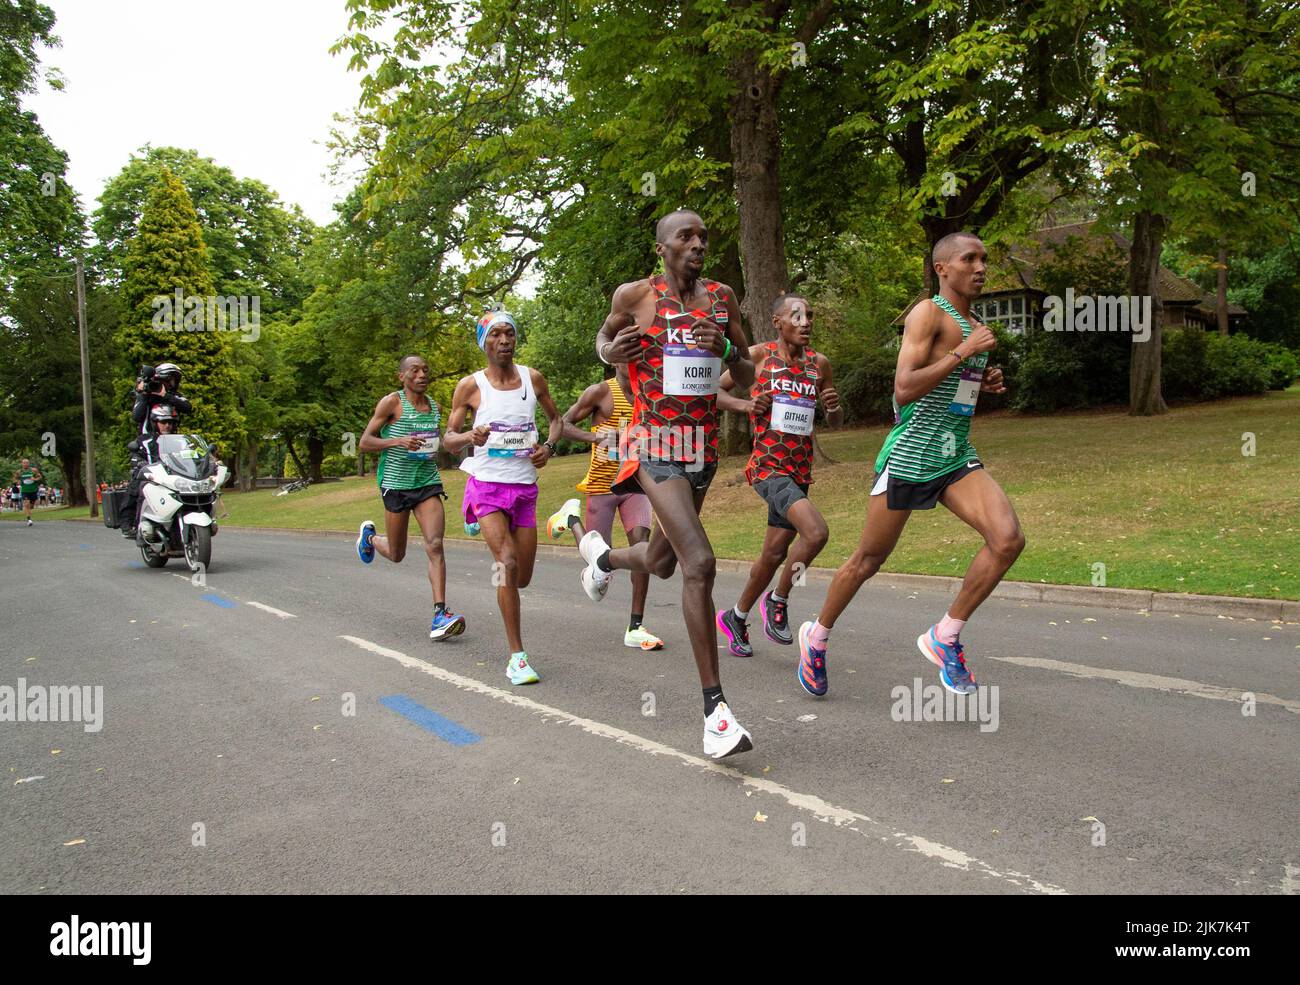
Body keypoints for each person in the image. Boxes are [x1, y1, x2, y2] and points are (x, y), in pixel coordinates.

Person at [798, 232, 1019, 697]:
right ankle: (816, 638)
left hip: (954, 454)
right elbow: (903, 388)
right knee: (867, 560)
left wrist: (982, 380)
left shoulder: (971, 320)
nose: (981, 267)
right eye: (969, 258)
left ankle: (945, 635)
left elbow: (954, 395)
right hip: (910, 457)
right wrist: (965, 353)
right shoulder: (928, 313)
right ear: (942, 268)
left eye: (984, 259)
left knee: (1007, 540)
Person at [575, 208, 758, 759]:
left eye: (704, 235)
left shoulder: (722, 299)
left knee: (661, 562)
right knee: (699, 564)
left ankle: (603, 560)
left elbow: (747, 368)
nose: (698, 243)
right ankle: (715, 715)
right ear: (663, 247)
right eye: (687, 236)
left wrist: (724, 348)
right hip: (653, 446)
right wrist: (613, 352)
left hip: (701, 449)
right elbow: (603, 344)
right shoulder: (634, 296)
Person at [714, 293, 842, 696]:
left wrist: (833, 407)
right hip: (767, 467)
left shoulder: (819, 364)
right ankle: (779, 600)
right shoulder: (756, 357)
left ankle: (736, 616)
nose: (806, 322)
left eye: (810, 316)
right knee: (817, 534)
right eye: (797, 316)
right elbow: (713, 392)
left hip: (801, 470)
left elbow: (835, 419)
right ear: (777, 321)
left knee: (772, 555)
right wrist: (747, 404)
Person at [443, 309, 563, 685]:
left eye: (509, 333)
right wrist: (468, 438)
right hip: (487, 485)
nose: (505, 340)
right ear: (484, 342)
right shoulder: (470, 386)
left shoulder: (533, 378)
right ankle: (517, 656)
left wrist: (549, 447)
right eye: (495, 334)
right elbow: (448, 438)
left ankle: (484, 526)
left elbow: (556, 420)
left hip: (524, 487)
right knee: (506, 564)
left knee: (522, 577)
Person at [545, 365, 664, 651]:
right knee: (600, 573)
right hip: (602, 486)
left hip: (635, 483)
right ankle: (570, 517)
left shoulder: (649, 391)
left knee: (642, 550)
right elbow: (564, 423)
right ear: (615, 359)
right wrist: (595, 437)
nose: (633, 363)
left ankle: (635, 627)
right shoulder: (601, 392)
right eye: (626, 355)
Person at [355, 355, 466, 642]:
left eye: (425, 370)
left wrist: (455, 445)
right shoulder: (391, 403)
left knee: (436, 544)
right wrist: (397, 441)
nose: (421, 375)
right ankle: (370, 539)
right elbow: (365, 442)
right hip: (395, 484)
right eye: (414, 370)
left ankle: (440, 613)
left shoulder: (435, 408)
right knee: (396, 553)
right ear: (401, 376)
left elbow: (438, 445)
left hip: (427, 482)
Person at [14, 459, 42, 526]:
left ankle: (29, 514)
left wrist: (35, 479)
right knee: (26, 505)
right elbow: (15, 478)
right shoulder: (19, 472)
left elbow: (40, 477)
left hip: (33, 490)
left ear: (29, 463)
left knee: (31, 506)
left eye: (27, 463)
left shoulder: (33, 470)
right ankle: (29, 520)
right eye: (24, 463)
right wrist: (18, 481)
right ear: (22, 464)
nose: (25, 464)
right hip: (25, 491)